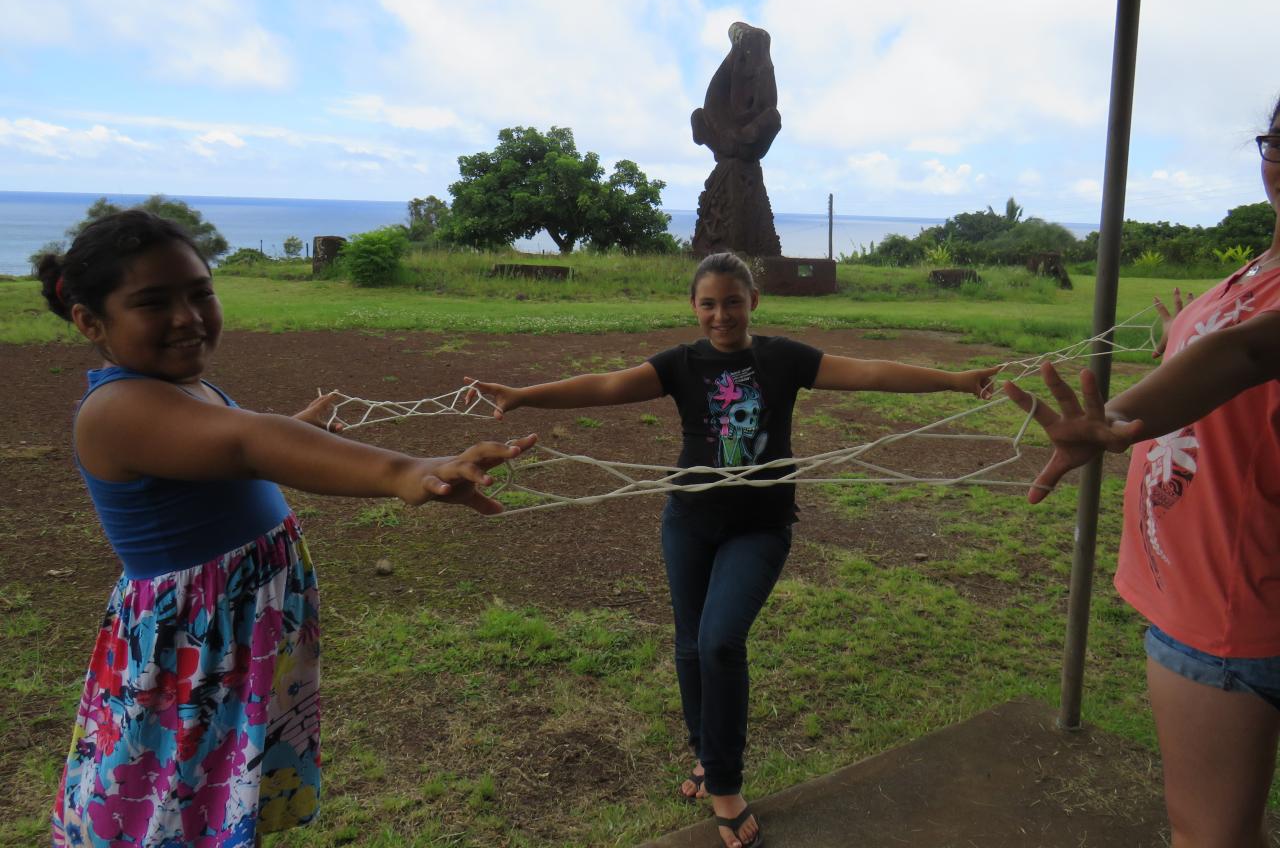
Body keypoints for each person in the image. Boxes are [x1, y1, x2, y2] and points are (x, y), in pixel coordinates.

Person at [463, 252, 998, 848]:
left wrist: (953, 380)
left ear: (753, 303)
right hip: (688, 521)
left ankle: (724, 783)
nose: (721, 315)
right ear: (694, 307)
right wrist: (523, 395)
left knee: (720, 641)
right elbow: (607, 386)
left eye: (733, 302)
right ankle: (706, 755)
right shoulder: (681, 364)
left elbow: (870, 373)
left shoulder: (784, 358)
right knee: (691, 644)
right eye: (709, 304)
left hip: (760, 526)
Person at [38, 209, 536, 848]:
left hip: (229, 635)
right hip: (190, 649)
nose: (189, 316)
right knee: (161, 806)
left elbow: (230, 453)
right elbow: (249, 443)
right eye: (153, 302)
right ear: (89, 321)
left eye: (201, 292)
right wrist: (411, 471)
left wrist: (299, 429)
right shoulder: (116, 408)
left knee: (208, 797)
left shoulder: (188, 390)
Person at [1004, 97, 1280, 848]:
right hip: (1209, 586)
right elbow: (1227, 360)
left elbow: (1246, 356)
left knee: (1209, 836)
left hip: (1232, 605)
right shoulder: (1258, 268)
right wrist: (1182, 331)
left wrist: (1110, 421)